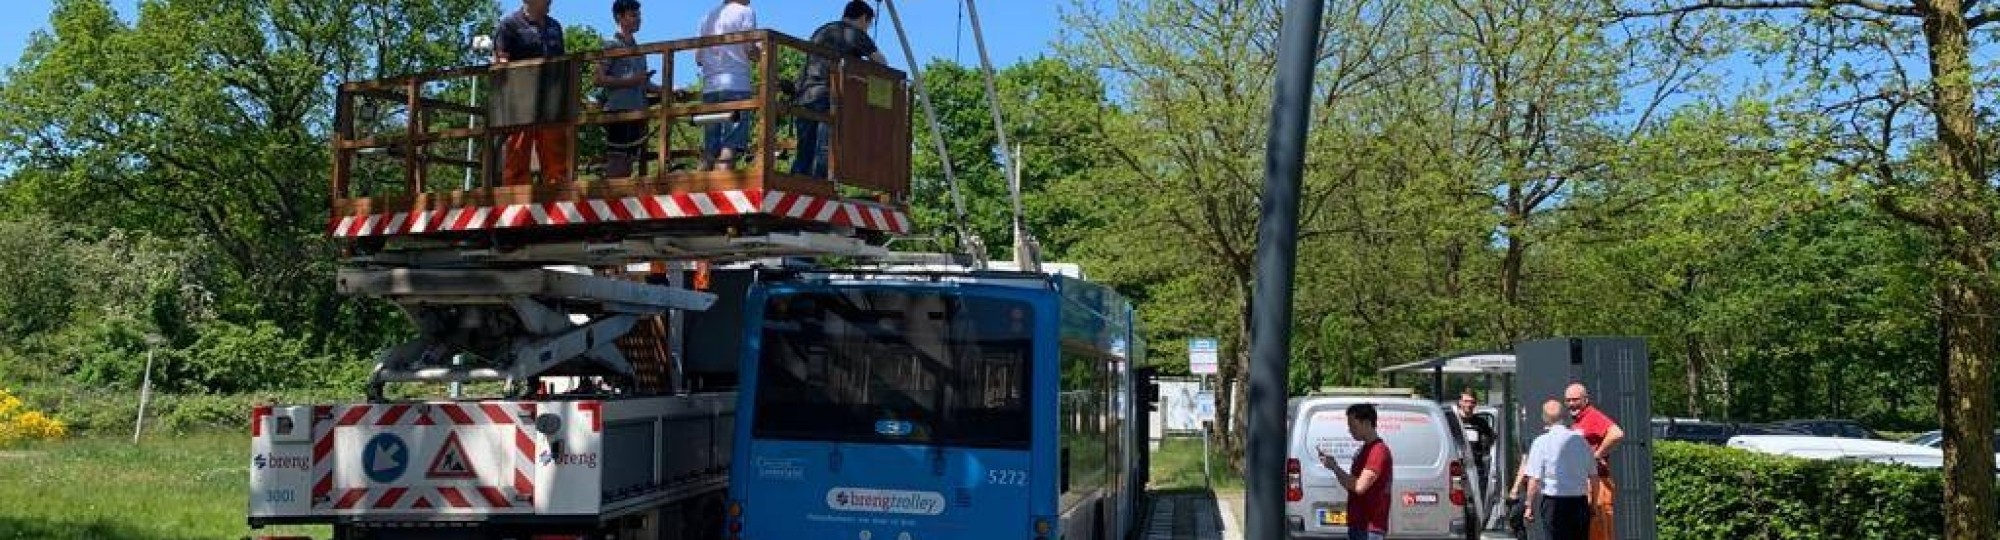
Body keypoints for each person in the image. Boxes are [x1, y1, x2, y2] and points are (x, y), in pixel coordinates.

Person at [789, 0, 885, 179]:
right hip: (828, 93)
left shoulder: (823, 30)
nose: (867, 29)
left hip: (804, 94)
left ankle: (797, 182)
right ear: (864, 18)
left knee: (805, 148)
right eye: (869, 24)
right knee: (826, 146)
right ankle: (820, 186)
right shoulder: (853, 32)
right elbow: (881, 61)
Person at [495, 0, 570, 186]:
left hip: (551, 99)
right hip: (521, 99)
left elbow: (561, 61)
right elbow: (501, 61)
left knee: (555, 150)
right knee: (518, 149)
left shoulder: (555, 27)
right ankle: (515, 194)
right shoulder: (509, 25)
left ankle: (556, 191)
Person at [596, 0, 658, 179]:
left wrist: (667, 90)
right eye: (633, 15)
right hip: (618, 111)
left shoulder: (639, 50)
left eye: (639, 15)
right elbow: (598, 78)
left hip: (637, 111)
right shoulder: (610, 45)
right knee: (617, 160)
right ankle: (609, 203)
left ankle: (619, 202)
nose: (638, 19)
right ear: (619, 17)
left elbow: (644, 84)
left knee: (629, 161)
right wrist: (631, 80)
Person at [696, 0, 759, 171]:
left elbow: (698, 59)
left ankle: (701, 190)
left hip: (710, 87)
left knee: (710, 148)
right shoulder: (745, 12)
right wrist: (762, 53)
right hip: (736, 85)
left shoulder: (707, 17)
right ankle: (721, 193)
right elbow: (750, 48)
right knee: (730, 146)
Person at [1316, 403, 1392, 540]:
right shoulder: (1365, 450)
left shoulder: (1378, 452)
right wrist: (1334, 467)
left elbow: (1359, 486)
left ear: (1367, 423)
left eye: (1353, 425)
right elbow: (1353, 483)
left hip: (1369, 528)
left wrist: (1335, 468)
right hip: (1360, 525)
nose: (1350, 430)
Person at [1523, 399, 1593, 540]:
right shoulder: (1581, 441)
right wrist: (1593, 503)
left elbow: (1534, 479)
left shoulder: (1540, 442)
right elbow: (1594, 476)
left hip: (1554, 502)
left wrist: (1529, 505)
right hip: (1579, 502)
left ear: (1544, 418)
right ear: (1564, 416)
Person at [1566, 383, 1625, 540]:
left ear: (1585, 400)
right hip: (1583, 484)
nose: (1571, 404)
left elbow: (1617, 433)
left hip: (1597, 482)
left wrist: (1597, 455)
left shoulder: (1592, 416)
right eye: (1568, 400)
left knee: (1599, 530)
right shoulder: (1577, 421)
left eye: (1575, 400)